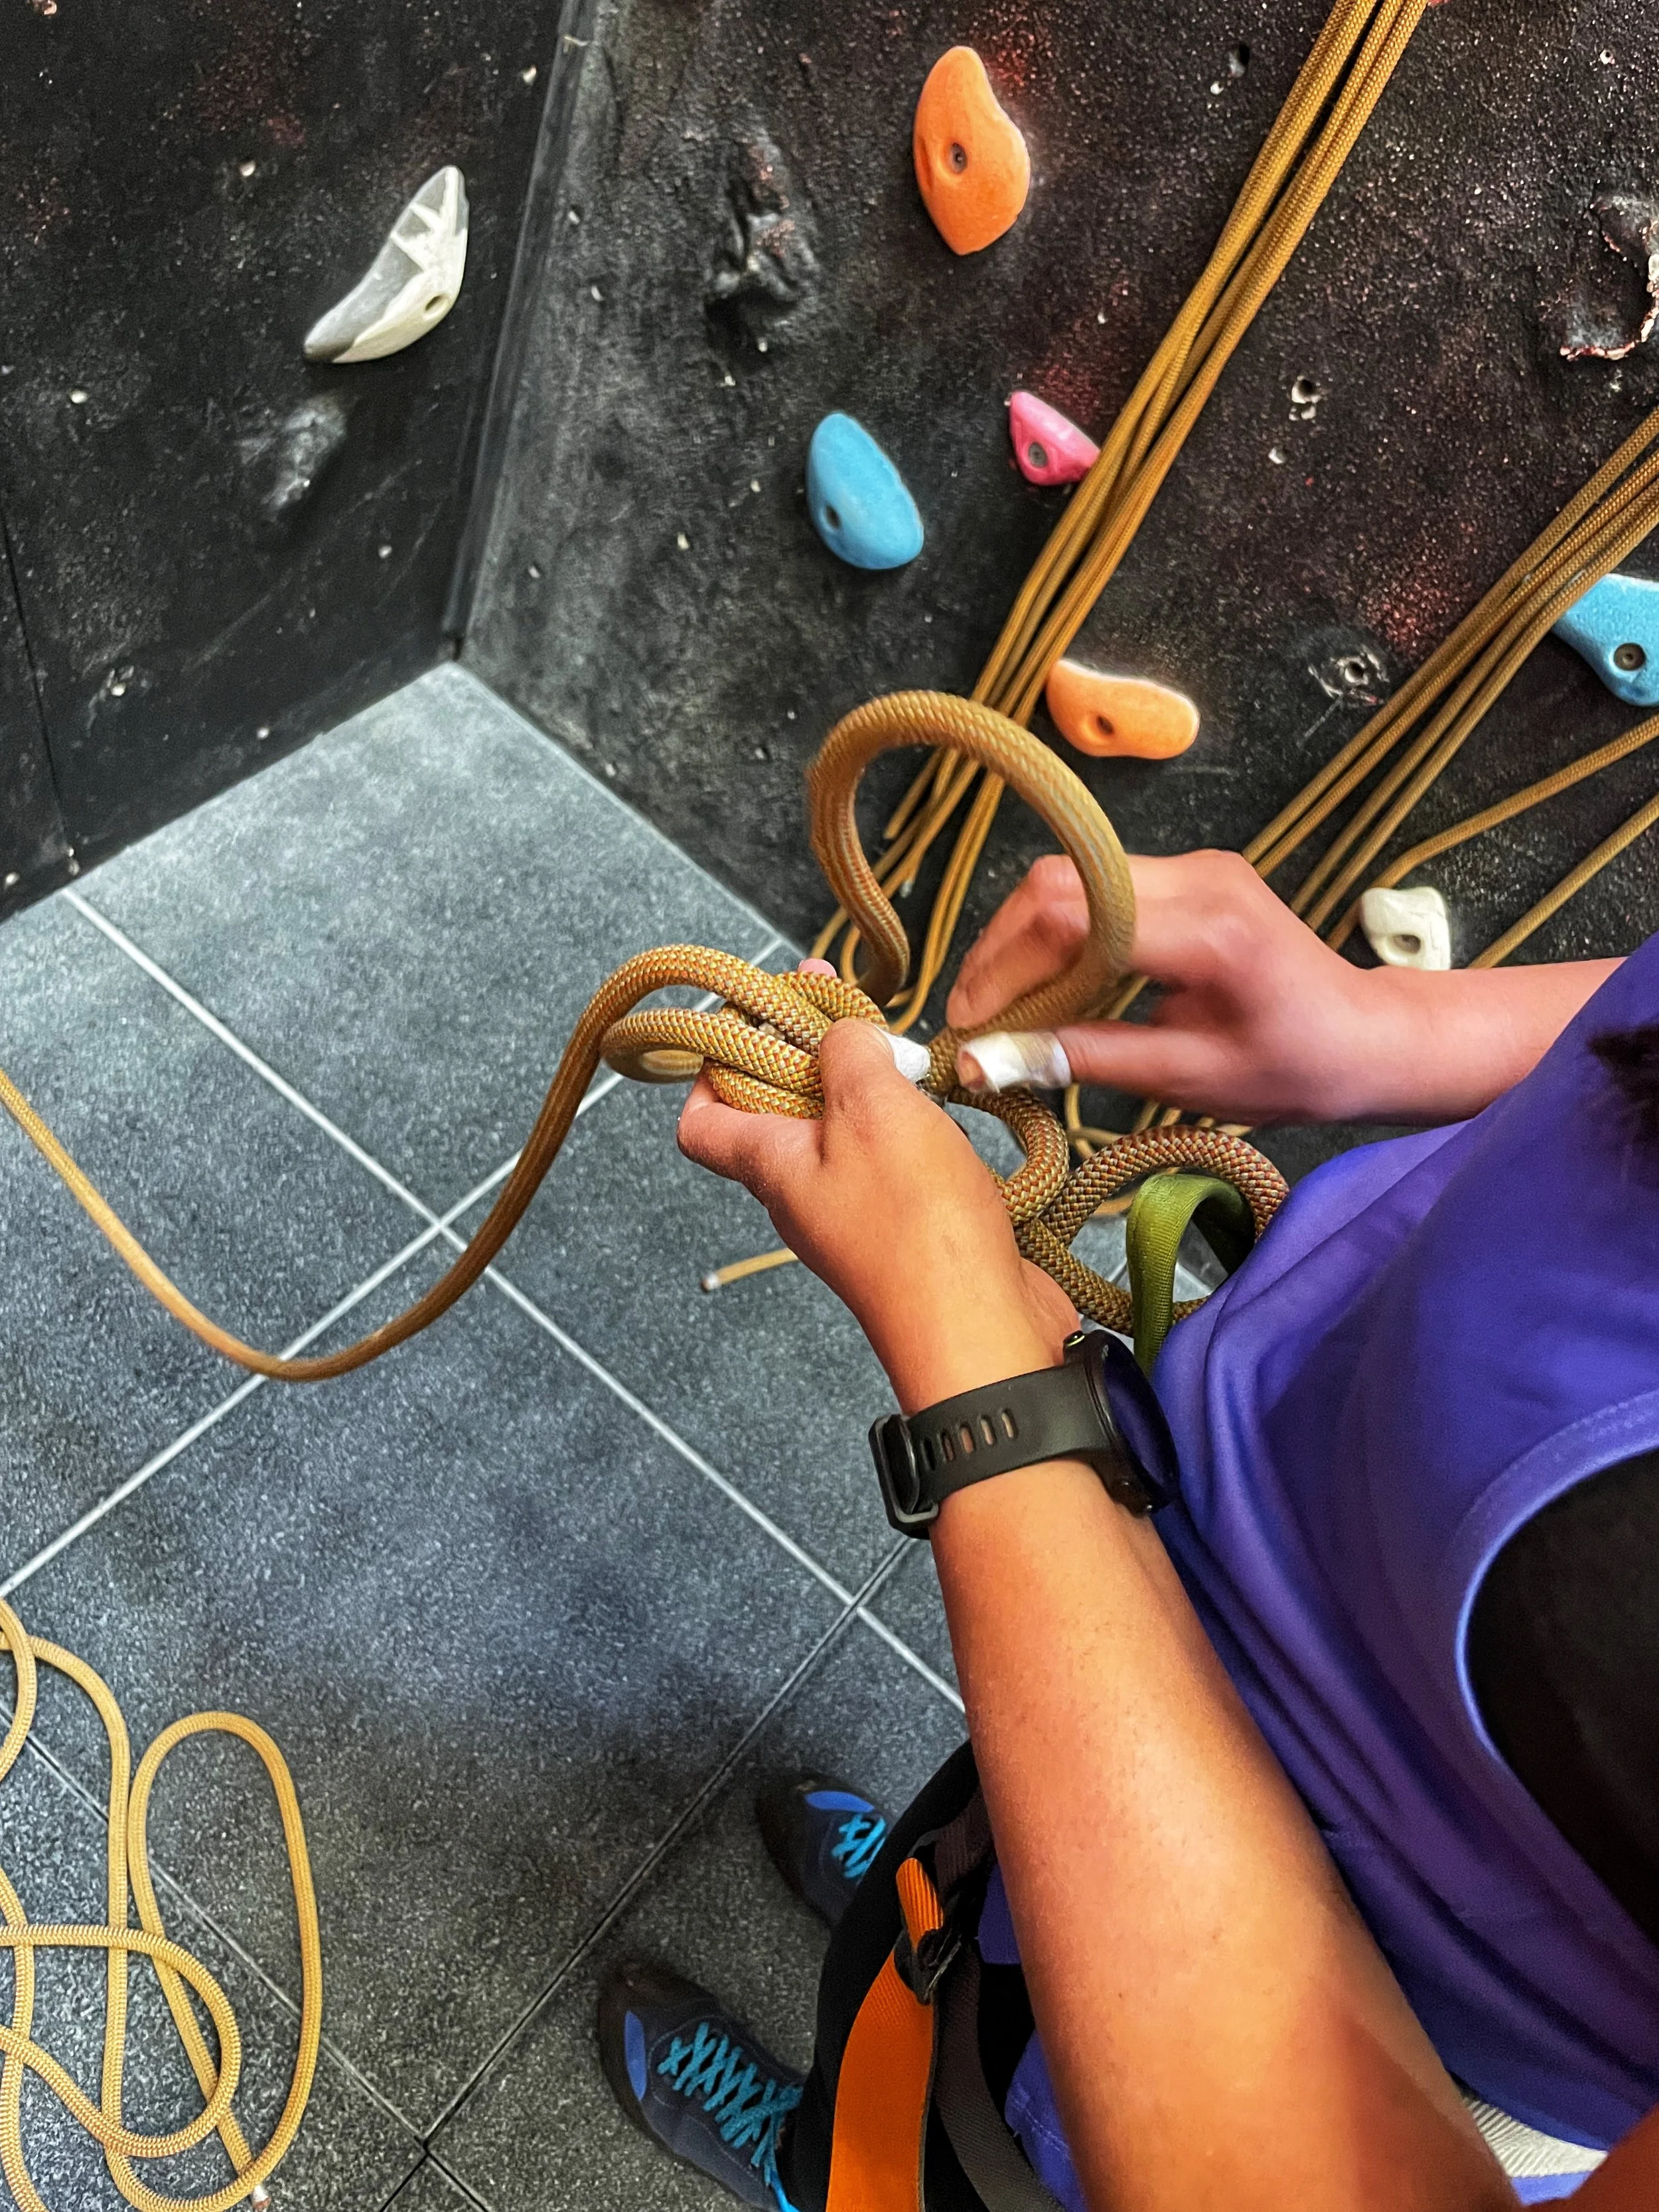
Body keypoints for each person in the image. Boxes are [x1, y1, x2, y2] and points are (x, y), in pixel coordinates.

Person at [597, 849, 1659, 2211]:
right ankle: (952, 1934)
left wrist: (985, 1382)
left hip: (1314, 2058)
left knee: (956, 2162)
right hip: (1141, 1610)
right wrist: (1386, 1029)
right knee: (947, 1915)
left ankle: (824, 2169)